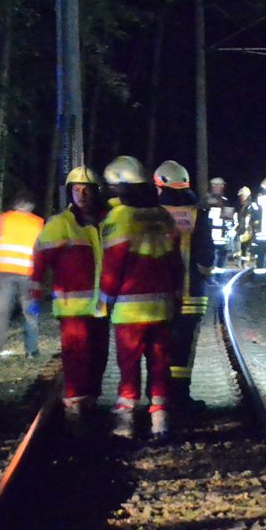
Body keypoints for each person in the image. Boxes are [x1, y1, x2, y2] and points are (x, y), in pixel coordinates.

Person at [100, 156, 180, 440]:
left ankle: (126, 423)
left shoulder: (120, 218)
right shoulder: (162, 215)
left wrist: (104, 301)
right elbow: (175, 260)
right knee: (160, 365)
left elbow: (113, 264)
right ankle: (160, 421)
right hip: (162, 307)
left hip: (130, 310)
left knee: (129, 366)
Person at [29, 166, 109, 424]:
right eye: (76, 190)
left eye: (86, 190)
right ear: (69, 193)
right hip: (72, 308)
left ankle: (91, 402)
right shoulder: (60, 224)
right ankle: (74, 407)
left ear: (96, 192)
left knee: (99, 356)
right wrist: (34, 292)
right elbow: (40, 259)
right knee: (76, 358)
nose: (81, 195)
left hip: (102, 307)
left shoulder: (108, 221)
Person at [154, 160, 213, 412]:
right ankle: (181, 397)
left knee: (159, 347)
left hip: (158, 295)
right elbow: (206, 257)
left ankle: (159, 397)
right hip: (192, 295)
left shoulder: (153, 213)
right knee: (184, 347)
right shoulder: (197, 212)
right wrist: (204, 274)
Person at [0, 190, 45, 359]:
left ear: (16, 204)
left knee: (0, 312)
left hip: (4, 274)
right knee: (31, 312)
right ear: (31, 206)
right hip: (28, 275)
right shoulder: (38, 222)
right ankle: (32, 351)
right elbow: (42, 250)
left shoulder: (4, 219)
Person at [204, 176, 231, 271]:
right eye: (219, 186)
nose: (221, 188)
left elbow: (228, 218)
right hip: (210, 236)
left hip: (222, 237)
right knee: (211, 258)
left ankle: (219, 276)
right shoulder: (206, 200)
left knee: (221, 259)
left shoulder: (225, 201)